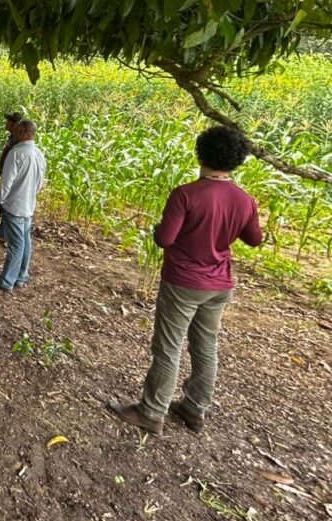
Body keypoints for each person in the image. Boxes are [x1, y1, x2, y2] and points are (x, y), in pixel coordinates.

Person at [107, 126, 263, 435]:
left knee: (169, 347)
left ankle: (152, 412)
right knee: (206, 347)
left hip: (183, 282)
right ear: (237, 161)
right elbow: (254, 239)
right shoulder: (245, 200)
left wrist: (157, 228)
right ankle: (195, 408)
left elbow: (165, 239)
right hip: (220, 284)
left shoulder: (186, 194)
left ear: (200, 153)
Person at [0, 120, 46, 293]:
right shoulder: (38, 153)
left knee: (16, 244)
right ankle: (21, 276)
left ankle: (6, 281)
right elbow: (40, 182)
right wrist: (30, 194)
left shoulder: (16, 153)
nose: (14, 134)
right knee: (25, 241)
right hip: (28, 204)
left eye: (17, 130)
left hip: (15, 205)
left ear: (24, 132)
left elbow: (6, 181)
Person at [0, 111, 23, 244]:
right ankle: (2, 233)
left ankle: (8, 235)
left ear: (14, 124)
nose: (6, 123)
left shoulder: (17, 141)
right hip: (7, 174)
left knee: (9, 205)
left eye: (8, 121)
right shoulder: (12, 138)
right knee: (7, 205)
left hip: (11, 177)